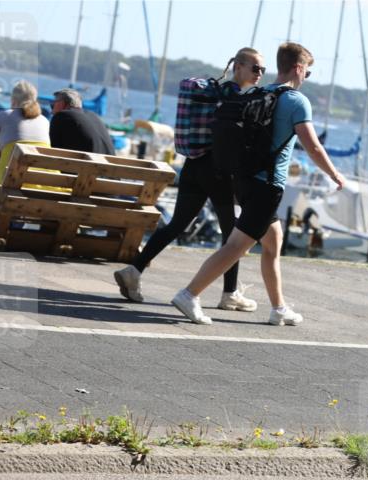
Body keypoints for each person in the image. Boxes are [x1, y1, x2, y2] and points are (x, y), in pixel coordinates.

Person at [170, 42, 345, 326]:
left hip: (244, 180)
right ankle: (189, 294)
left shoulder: (256, 92)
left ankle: (279, 309)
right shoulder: (296, 101)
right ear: (299, 69)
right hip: (268, 186)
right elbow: (312, 147)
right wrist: (335, 174)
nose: (305, 78)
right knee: (236, 246)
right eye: (307, 73)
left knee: (273, 242)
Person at [113, 47, 265, 311]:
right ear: (238, 67)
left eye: (262, 69)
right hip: (216, 170)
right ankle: (229, 294)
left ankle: (134, 271)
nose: (260, 74)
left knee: (177, 225)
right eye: (255, 68)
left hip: (193, 165)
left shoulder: (212, 92)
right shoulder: (233, 96)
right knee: (234, 236)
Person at [0, 80, 50, 191]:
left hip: (7, 180)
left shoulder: (2, 116)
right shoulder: (45, 121)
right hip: (42, 182)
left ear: (13, 100)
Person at [49, 88, 116, 155]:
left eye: (53, 105)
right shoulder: (94, 116)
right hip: (110, 163)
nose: (51, 111)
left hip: (89, 165)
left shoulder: (61, 116)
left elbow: (55, 151)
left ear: (62, 104)